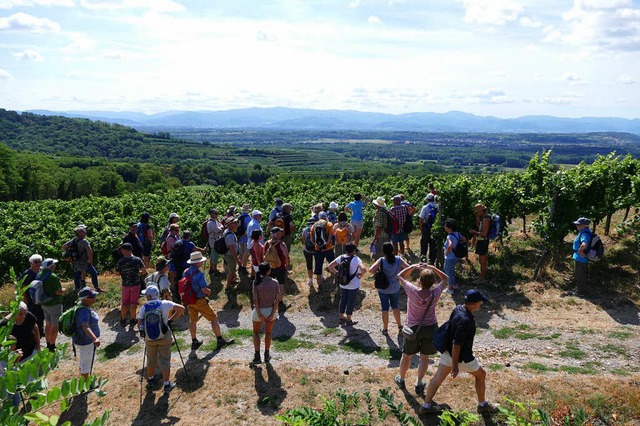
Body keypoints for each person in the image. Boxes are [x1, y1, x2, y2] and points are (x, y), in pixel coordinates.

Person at [421, 289, 498, 415]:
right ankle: (482, 405)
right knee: (481, 375)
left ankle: (426, 406)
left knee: (438, 378)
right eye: (480, 302)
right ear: (473, 304)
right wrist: (455, 366)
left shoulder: (458, 308)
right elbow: (457, 345)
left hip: (447, 352)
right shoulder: (465, 320)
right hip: (461, 357)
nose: (481, 304)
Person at [395, 263, 448, 398]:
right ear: (433, 282)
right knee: (425, 357)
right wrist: (432, 267)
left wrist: (413, 266)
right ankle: (419, 383)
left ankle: (401, 379)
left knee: (407, 355)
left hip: (413, 328)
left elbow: (400, 276)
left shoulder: (411, 290)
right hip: (431, 328)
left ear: (419, 281)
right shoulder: (435, 292)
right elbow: (446, 278)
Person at [181, 252, 234, 351]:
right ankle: (220, 339)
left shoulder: (186, 271)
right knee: (214, 318)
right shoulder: (199, 274)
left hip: (189, 300)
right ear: (198, 262)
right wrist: (209, 292)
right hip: (199, 301)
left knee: (193, 321)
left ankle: (194, 341)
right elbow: (204, 289)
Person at [137, 285, 185, 393]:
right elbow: (182, 309)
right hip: (164, 335)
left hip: (149, 338)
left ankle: (150, 380)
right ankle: (167, 385)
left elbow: (139, 323)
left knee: (151, 359)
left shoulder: (144, 307)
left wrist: (144, 331)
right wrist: (170, 320)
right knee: (165, 360)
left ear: (149, 296)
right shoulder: (165, 303)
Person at [368, 242, 409, 335]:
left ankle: (385, 329)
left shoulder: (381, 260)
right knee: (395, 306)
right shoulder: (398, 259)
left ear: (383, 251)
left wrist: (378, 274)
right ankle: (399, 326)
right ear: (393, 250)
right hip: (395, 287)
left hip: (383, 288)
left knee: (385, 308)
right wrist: (403, 277)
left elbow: (370, 270)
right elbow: (408, 268)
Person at [327, 243, 366, 326]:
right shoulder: (356, 259)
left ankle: (341, 317)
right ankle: (348, 319)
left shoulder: (341, 258)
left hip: (343, 283)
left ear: (345, 250)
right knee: (350, 301)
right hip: (354, 284)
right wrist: (360, 275)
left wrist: (337, 273)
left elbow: (330, 266)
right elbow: (364, 269)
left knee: (343, 299)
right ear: (354, 250)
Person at [250, 262, 280, 365]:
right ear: (269, 271)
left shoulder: (256, 282)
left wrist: (259, 314)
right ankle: (267, 355)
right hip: (270, 311)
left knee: (255, 333)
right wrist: (273, 313)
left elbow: (255, 300)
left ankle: (257, 356)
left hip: (259, 311)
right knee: (268, 333)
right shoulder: (275, 282)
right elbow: (277, 300)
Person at [63, 224, 103, 292]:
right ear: (80, 232)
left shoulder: (74, 240)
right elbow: (89, 251)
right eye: (84, 231)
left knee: (77, 274)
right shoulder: (84, 241)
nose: (85, 232)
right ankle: (96, 287)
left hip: (76, 261)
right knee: (94, 273)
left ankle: (77, 288)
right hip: (84, 262)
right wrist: (90, 261)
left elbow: (64, 246)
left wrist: (70, 254)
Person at [115, 243, 147, 328]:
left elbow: (117, 274)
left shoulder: (121, 261)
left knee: (125, 303)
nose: (121, 251)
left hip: (125, 285)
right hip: (136, 284)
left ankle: (123, 319)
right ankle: (133, 319)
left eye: (122, 250)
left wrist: (124, 273)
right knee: (133, 303)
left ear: (125, 251)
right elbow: (144, 272)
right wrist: (138, 273)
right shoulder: (137, 260)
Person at [37, 258, 65, 352]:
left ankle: (48, 343)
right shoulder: (53, 277)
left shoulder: (40, 274)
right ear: (51, 266)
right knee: (54, 325)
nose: (55, 266)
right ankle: (52, 346)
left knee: (47, 324)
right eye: (54, 264)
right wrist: (64, 290)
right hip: (54, 304)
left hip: (44, 303)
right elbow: (58, 292)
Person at [73, 287, 101, 379]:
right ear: (85, 299)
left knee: (84, 360)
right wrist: (94, 338)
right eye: (92, 297)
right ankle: (85, 385)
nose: (94, 298)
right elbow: (85, 326)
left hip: (84, 340)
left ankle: (83, 380)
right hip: (86, 341)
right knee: (86, 363)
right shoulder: (83, 310)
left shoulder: (83, 307)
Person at [264, 227, 290, 312]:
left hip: (269, 267)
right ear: (276, 234)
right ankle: (280, 303)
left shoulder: (267, 243)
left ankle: (270, 302)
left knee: (270, 284)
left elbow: (264, 256)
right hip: (280, 267)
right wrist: (287, 265)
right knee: (281, 285)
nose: (281, 234)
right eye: (279, 233)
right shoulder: (281, 244)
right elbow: (286, 256)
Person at [18, 254, 45, 337]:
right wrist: (24, 300)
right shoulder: (27, 274)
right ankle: (35, 332)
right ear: (31, 263)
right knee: (34, 315)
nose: (38, 264)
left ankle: (40, 330)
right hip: (31, 299)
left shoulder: (42, 271)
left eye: (40, 262)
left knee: (42, 315)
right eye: (36, 262)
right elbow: (22, 287)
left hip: (41, 297)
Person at [311, 212, 335, 287]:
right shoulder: (329, 224)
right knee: (333, 263)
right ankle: (337, 279)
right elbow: (331, 236)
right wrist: (326, 245)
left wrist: (317, 245)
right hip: (328, 248)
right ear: (325, 217)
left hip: (318, 249)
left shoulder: (314, 225)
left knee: (318, 265)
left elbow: (312, 238)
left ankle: (319, 283)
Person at [444, 219, 466, 294]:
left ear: (449, 228)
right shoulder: (458, 234)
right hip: (456, 256)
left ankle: (450, 288)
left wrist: (447, 252)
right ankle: (453, 284)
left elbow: (450, 245)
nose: (444, 227)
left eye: (445, 226)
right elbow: (465, 240)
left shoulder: (449, 236)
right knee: (451, 271)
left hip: (450, 257)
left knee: (448, 272)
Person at [470, 204, 491, 283]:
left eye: (477, 212)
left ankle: (482, 279)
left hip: (483, 241)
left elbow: (484, 234)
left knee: (483, 260)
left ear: (481, 211)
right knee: (482, 260)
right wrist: (478, 220)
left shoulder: (486, 219)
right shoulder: (483, 218)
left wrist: (474, 232)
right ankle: (481, 277)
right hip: (481, 240)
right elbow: (480, 227)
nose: (476, 214)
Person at [572, 217, 592, 294]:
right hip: (580, 258)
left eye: (578, 224)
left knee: (580, 275)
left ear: (584, 225)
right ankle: (579, 290)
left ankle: (581, 292)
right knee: (580, 275)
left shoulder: (585, 234)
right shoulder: (583, 232)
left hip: (581, 258)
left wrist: (580, 251)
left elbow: (584, 244)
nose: (577, 226)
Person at [419, 194, 439, 264]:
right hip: (434, 228)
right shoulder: (437, 207)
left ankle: (423, 260)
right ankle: (432, 261)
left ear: (427, 199)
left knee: (424, 244)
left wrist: (421, 229)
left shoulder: (425, 207)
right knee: (433, 245)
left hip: (426, 227)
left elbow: (421, 219)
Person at [223, 218, 241, 290]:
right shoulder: (230, 235)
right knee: (232, 271)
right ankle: (227, 287)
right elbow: (231, 249)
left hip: (228, 255)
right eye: (235, 223)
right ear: (230, 225)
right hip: (230, 256)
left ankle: (232, 281)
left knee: (232, 270)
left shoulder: (228, 231)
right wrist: (237, 260)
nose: (236, 224)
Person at [206, 209, 224, 276]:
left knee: (212, 255)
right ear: (212, 214)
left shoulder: (214, 221)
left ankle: (211, 269)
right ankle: (215, 270)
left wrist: (220, 227)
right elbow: (218, 230)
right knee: (215, 256)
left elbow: (221, 226)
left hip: (215, 240)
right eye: (215, 213)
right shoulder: (211, 222)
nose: (217, 215)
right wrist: (221, 227)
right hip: (214, 241)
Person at [301, 218, 316, 288]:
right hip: (316, 249)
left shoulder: (305, 230)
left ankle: (310, 280)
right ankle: (320, 276)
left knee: (309, 264)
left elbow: (303, 239)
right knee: (318, 262)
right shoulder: (317, 228)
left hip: (307, 249)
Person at [238, 203, 253, 274]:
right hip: (247, 238)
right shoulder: (249, 218)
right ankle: (244, 268)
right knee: (246, 254)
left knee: (241, 253)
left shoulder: (239, 217)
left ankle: (239, 267)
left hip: (241, 238)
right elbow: (249, 228)